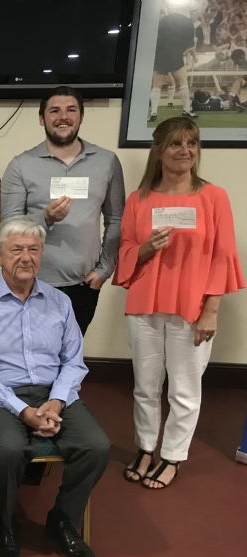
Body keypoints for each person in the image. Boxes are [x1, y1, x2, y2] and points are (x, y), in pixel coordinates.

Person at [0, 216, 110, 557]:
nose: (26, 257)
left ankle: (62, 520)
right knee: (8, 449)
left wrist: (56, 402)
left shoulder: (59, 302)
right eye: (16, 250)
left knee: (96, 445)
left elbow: (73, 361)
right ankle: (3, 526)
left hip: (53, 391)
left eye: (33, 249)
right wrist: (23, 411)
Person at [114, 117, 244, 489]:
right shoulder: (140, 199)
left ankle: (172, 455)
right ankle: (144, 447)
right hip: (145, 304)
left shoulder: (213, 196)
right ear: (158, 150)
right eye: (175, 143)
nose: (185, 151)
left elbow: (222, 256)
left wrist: (211, 310)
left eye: (192, 143)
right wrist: (145, 248)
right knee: (145, 385)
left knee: (184, 389)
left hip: (192, 307)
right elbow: (124, 248)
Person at [1, 86, 125, 335]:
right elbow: (8, 227)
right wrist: (44, 218)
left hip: (84, 285)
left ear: (81, 116)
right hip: (32, 282)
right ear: (42, 118)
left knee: (70, 359)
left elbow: (116, 219)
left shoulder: (106, 161)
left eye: (71, 110)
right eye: (54, 110)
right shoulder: (21, 165)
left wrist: (103, 271)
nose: (63, 117)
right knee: (31, 358)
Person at [150, 7, 197, 120]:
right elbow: (190, 46)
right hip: (176, 55)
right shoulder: (188, 23)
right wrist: (193, 57)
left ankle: (153, 113)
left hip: (160, 55)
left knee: (156, 85)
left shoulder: (162, 21)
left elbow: (153, 38)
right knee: (182, 83)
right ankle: (187, 111)